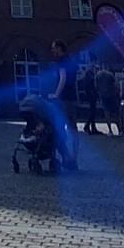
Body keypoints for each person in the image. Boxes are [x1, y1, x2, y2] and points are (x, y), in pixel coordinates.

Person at [47, 41, 78, 169]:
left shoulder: (61, 61)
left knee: (58, 128)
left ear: (60, 48)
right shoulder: (72, 61)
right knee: (73, 129)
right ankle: (73, 158)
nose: (52, 51)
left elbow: (63, 78)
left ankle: (65, 156)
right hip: (71, 99)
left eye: (53, 48)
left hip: (63, 99)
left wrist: (56, 94)